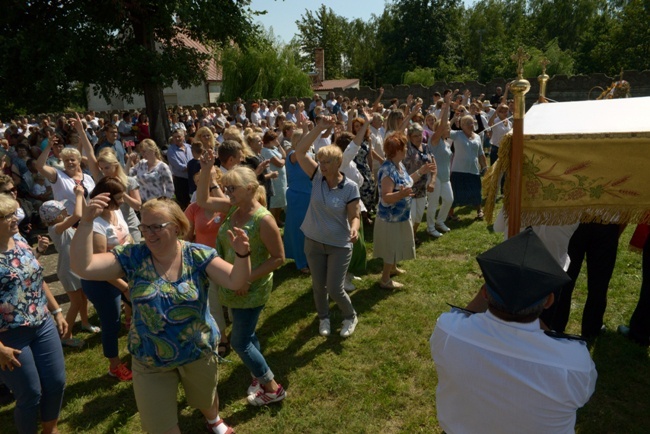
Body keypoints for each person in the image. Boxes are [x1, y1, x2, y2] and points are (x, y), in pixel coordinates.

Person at [71, 195, 250, 434]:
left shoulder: (197, 255)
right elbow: (84, 267)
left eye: (157, 227)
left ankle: (213, 419)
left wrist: (241, 256)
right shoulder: (133, 256)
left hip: (197, 351)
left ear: (177, 226)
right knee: (159, 426)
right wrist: (85, 224)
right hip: (149, 357)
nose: (149, 233)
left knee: (205, 398)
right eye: (144, 227)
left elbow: (235, 280)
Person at [430, 228, 597, 434]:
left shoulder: (448, 331)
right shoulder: (574, 362)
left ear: (484, 293)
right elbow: (583, 396)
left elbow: (464, 313)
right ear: (549, 301)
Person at [196, 157, 286, 406]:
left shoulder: (263, 219)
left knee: (239, 340)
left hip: (252, 287)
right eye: (226, 189)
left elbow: (279, 258)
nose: (227, 193)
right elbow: (202, 200)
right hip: (233, 285)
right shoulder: (234, 209)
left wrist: (246, 278)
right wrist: (205, 171)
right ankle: (257, 374)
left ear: (249, 188)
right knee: (248, 333)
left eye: (232, 188)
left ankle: (272, 387)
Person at [0, 194, 68, 434]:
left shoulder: (18, 240)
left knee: (56, 382)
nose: (14, 219)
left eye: (13, 213)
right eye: (6, 216)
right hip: (10, 336)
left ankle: (50, 430)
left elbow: (35, 277)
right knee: (30, 393)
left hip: (43, 324)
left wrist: (57, 311)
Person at [294, 116, 361, 337]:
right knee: (318, 286)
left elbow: (355, 215)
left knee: (334, 288)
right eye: (320, 162)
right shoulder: (316, 178)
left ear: (338, 164)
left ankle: (350, 316)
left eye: (326, 162)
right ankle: (324, 318)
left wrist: (354, 227)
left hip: (338, 244)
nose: (321, 166)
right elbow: (300, 152)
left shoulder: (350, 188)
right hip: (313, 241)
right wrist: (318, 128)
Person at [80, 177, 134, 381]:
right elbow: (100, 262)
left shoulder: (115, 211)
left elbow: (126, 237)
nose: (122, 203)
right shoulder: (95, 224)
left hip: (121, 275)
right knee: (111, 324)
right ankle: (114, 366)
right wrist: (124, 287)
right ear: (105, 199)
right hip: (101, 283)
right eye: (118, 199)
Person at [374, 133, 436, 289]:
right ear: (397, 150)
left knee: (396, 244)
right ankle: (385, 279)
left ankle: (393, 269)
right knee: (391, 247)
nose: (407, 149)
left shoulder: (398, 165)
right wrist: (401, 194)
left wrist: (421, 171)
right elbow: (386, 197)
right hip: (390, 218)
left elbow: (407, 181)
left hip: (400, 215)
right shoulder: (387, 170)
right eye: (404, 147)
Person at [39, 189, 100, 348]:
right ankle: (65, 335)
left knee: (83, 297)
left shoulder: (64, 227)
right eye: (62, 210)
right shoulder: (56, 228)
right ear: (56, 216)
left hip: (75, 267)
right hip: (68, 269)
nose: (66, 210)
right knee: (75, 302)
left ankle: (85, 323)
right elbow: (78, 215)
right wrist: (79, 195)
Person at [184, 168, 231, 357]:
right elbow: (186, 236)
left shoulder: (227, 204)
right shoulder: (193, 208)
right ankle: (223, 337)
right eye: (198, 181)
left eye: (206, 180)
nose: (201, 184)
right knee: (213, 301)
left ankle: (241, 332)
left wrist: (212, 182)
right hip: (206, 262)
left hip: (229, 257)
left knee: (233, 295)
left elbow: (231, 208)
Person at [448, 114, 488, 221]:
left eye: (472, 122)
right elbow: (444, 130)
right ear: (462, 125)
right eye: (468, 123)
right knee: (456, 192)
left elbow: (481, 153)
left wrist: (485, 167)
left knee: (476, 191)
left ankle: (479, 211)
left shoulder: (478, 137)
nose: (472, 125)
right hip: (458, 170)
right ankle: (450, 214)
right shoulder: (456, 134)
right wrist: (451, 120)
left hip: (474, 170)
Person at [283, 127, 311, 273]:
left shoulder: (307, 156)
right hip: (297, 196)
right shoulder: (292, 155)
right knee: (299, 230)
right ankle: (301, 262)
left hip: (308, 195)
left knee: (307, 229)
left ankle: (307, 257)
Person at [425, 97, 453, 238]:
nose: (449, 130)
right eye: (447, 128)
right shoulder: (434, 140)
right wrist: (447, 106)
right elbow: (442, 124)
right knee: (433, 203)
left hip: (446, 176)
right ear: (440, 129)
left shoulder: (446, 143)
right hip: (434, 177)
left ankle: (440, 221)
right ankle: (430, 227)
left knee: (449, 199)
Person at [127, 138, 174, 203]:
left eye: (144, 151)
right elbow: (126, 174)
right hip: (143, 203)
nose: (142, 154)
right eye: (141, 151)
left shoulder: (162, 166)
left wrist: (164, 203)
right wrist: (129, 160)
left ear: (153, 150)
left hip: (158, 203)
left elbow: (170, 189)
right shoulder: (141, 163)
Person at [167, 129, 193, 209]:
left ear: (183, 136)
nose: (177, 139)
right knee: (183, 204)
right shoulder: (171, 150)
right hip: (181, 181)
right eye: (175, 137)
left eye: (179, 136)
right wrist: (193, 166)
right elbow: (179, 166)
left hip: (193, 179)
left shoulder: (189, 147)